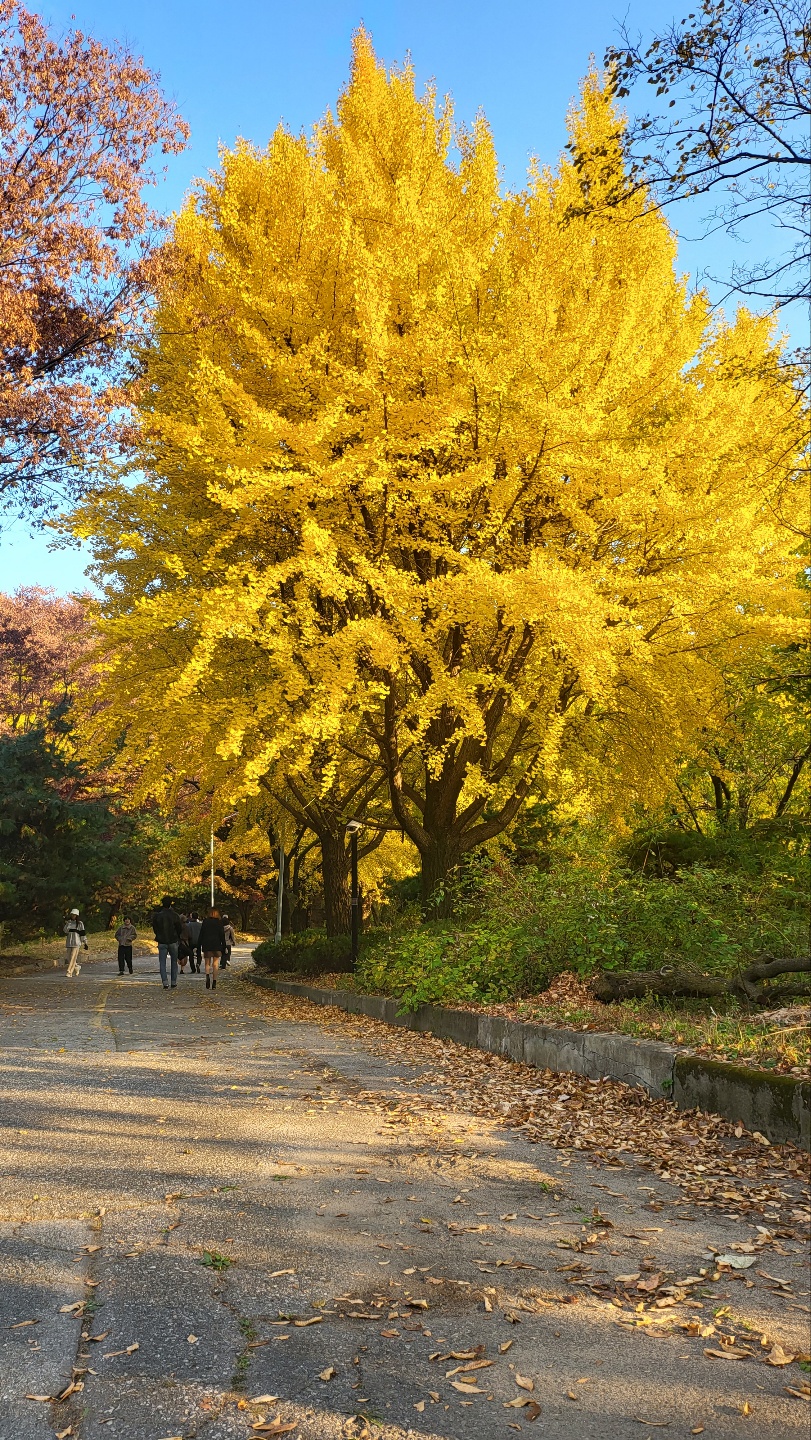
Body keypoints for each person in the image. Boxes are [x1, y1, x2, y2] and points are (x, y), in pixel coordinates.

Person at [151, 895, 183, 990]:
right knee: (174, 961)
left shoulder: (157, 916)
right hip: (173, 940)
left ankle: (165, 982)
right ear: (170, 904)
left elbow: (155, 929)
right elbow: (179, 929)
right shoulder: (175, 915)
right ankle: (174, 981)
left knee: (162, 962)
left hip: (162, 941)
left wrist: (159, 935)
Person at [198, 907, 225, 990]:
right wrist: (223, 945)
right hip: (216, 944)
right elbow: (222, 935)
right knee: (215, 964)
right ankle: (214, 982)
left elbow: (201, 933)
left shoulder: (205, 922)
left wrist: (199, 944)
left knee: (207, 963)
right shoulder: (219, 922)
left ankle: (207, 976)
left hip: (207, 944)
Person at [64, 908, 88, 977]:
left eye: (74, 915)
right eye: (72, 915)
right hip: (69, 942)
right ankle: (77, 967)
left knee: (73, 957)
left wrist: (85, 942)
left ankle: (69, 972)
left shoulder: (80, 924)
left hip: (76, 942)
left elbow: (83, 934)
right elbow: (65, 931)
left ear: (77, 916)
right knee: (69, 958)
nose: (73, 916)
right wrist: (67, 924)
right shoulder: (69, 923)